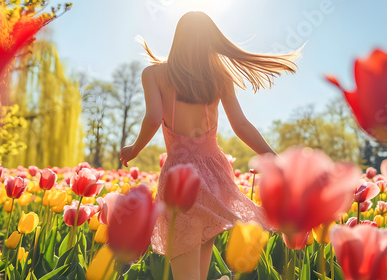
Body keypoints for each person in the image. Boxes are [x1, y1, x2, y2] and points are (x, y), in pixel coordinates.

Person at [119, 11, 300, 280]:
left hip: (180, 176)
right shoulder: (218, 77)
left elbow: (154, 117)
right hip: (216, 174)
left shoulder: (154, 74)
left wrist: (134, 149)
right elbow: (242, 126)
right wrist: (273, 158)